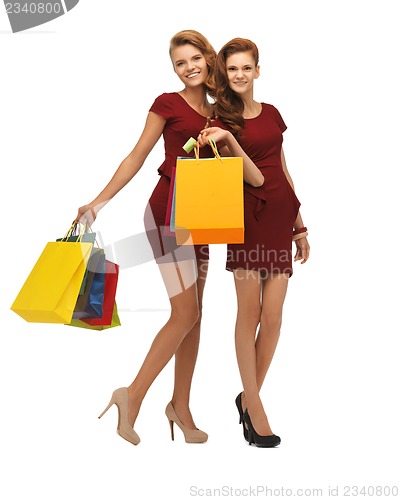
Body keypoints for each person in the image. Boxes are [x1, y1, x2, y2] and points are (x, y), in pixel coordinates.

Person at [75, 30, 220, 446]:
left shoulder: (221, 109)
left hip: (206, 217)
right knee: (184, 312)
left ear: (208, 59)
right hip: (168, 215)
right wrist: (98, 202)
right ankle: (132, 396)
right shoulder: (167, 103)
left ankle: (181, 406)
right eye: (180, 62)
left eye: (194, 58)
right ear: (174, 68)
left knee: (196, 314)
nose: (189, 67)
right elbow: (137, 154)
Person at [198, 38, 310, 447]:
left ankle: (248, 397)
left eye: (247, 67)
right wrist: (228, 142)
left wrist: (299, 224)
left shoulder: (273, 113)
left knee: (275, 316)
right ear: (224, 75)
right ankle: (257, 408)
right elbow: (255, 178)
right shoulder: (220, 121)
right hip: (248, 220)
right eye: (232, 69)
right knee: (251, 314)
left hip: (280, 217)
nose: (240, 75)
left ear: (257, 70)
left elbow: (281, 169)